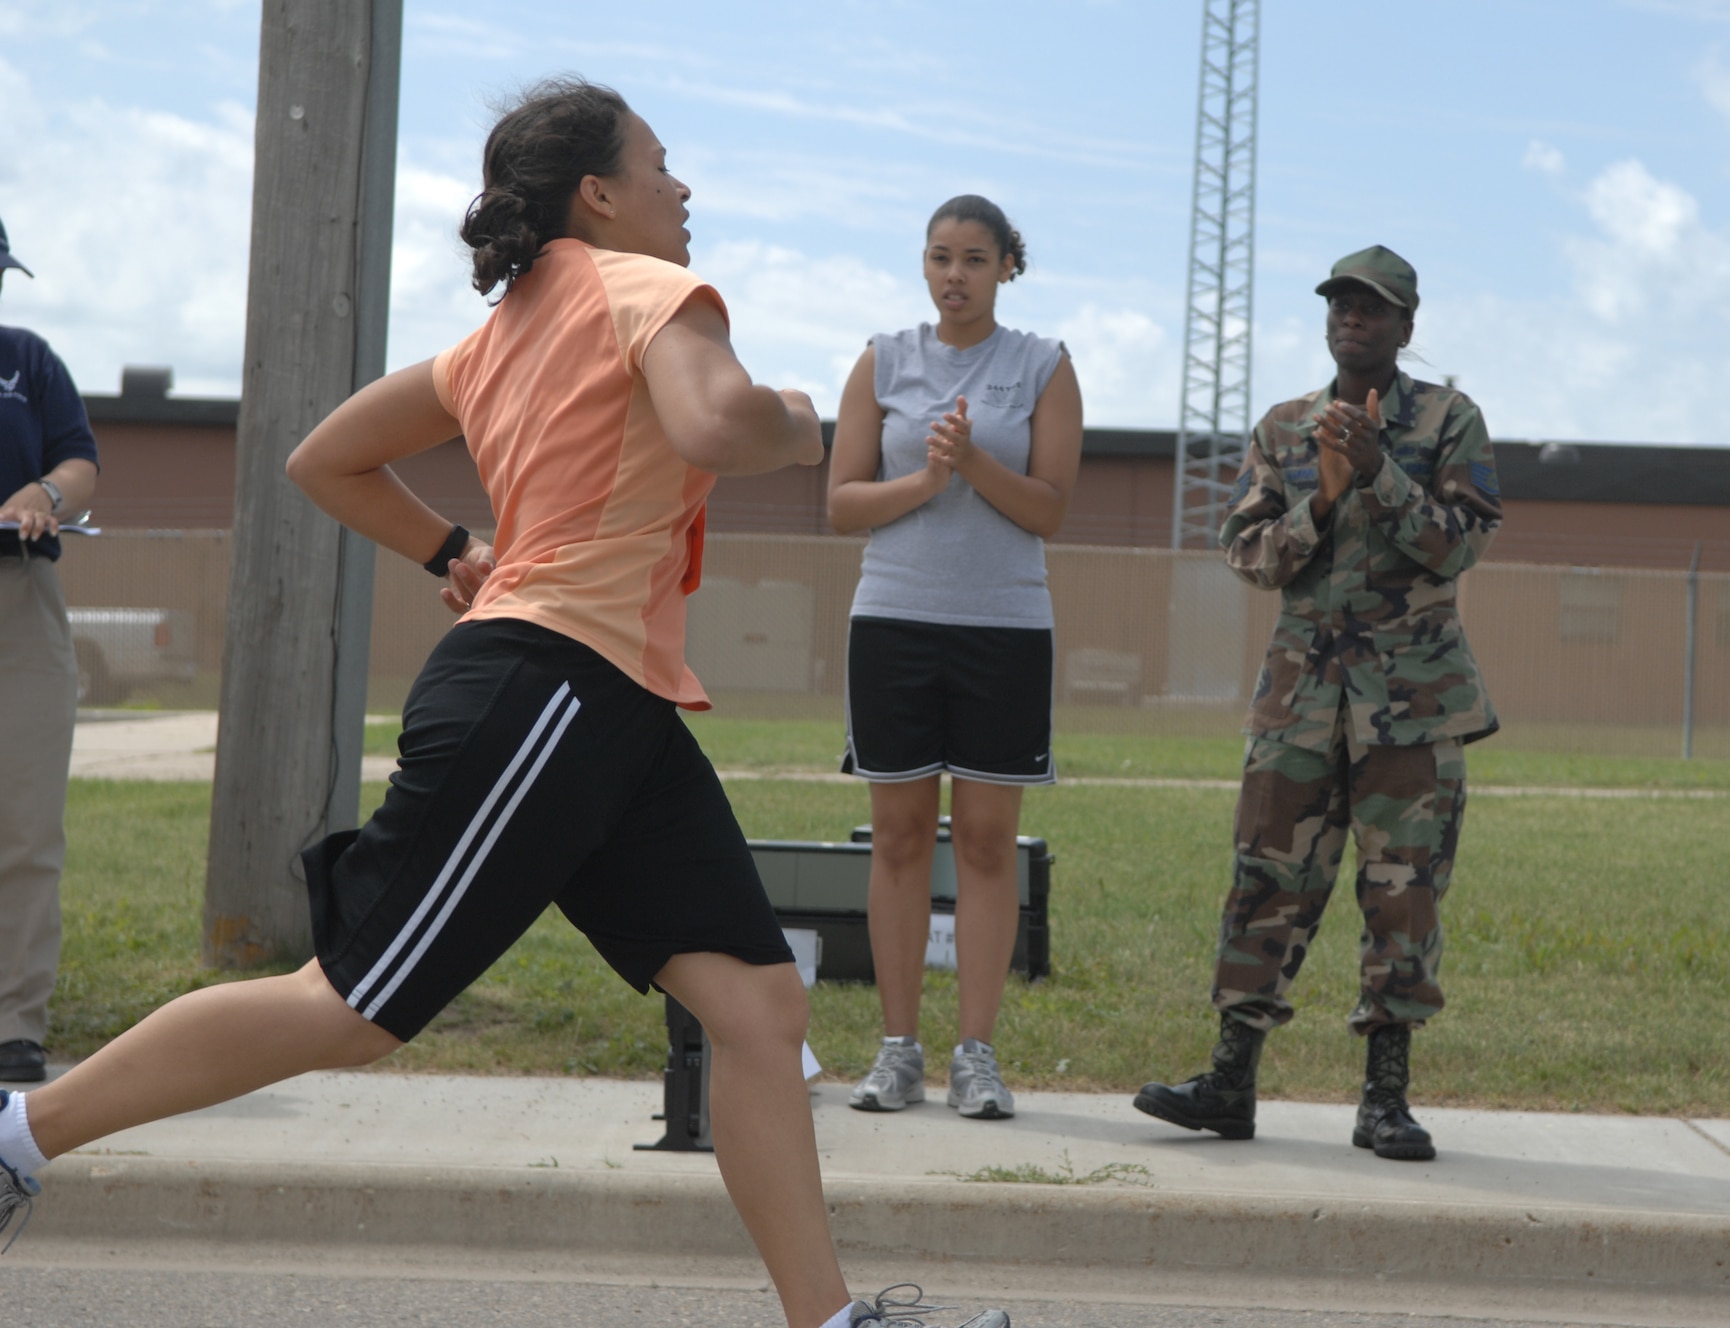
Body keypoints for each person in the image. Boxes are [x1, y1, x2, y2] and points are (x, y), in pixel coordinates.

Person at [0, 79, 1006, 1328]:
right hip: (547, 689)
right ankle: (17, 1135)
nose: (681, 189)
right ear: (597, 193)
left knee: (757, 1005)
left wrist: (448, 551)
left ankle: (830, 1320)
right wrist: (800, 421)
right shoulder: (648, 292)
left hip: (612, 705)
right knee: (351, 1005)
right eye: (658, 165)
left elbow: (329, 456)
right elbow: (713, 419)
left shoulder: (497, 334)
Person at [1132, 245, 1501, 1162]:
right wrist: (1323, 501)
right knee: (1264, 883)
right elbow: (1249, 556)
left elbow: (1456, 547)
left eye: (1372, 308)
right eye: (1340, 303)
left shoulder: (1452, 421)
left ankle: (1385, 1099)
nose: (1352, 318)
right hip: (1299, 703)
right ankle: (1229, 1081)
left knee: (1403, 898)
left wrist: (1379, 473)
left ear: (1407, 327)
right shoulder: (1285, 427)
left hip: (1410, 709)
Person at [826, 196, 1082, 1120]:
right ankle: (898, 1052)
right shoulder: (883, 359)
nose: (955, 275)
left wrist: (973, 465)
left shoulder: (1042, 367)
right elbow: (842, 503)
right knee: (896, 838)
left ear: (1008, 266)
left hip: (1004, 630)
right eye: (940, 257)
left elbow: (1049, 510)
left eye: (976, 258)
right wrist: (927, 480)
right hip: (893, 622)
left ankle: (977, 1055)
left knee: (982, 842)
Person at [0, 216, 99, 1087]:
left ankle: (13, 1021)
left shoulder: (26, 360)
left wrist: (46, 491)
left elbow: (79, 460)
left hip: (19, 598)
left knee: (26, 822)